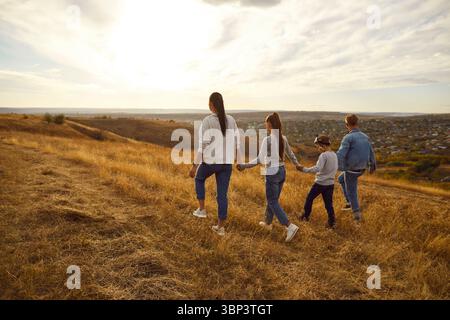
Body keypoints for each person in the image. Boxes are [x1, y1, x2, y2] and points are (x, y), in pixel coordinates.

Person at [237, 113, 300, 242]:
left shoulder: (268, 140)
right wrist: (297, 165)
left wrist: (244, 165)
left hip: (272, 172)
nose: (265, 125)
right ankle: (267, 223)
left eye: (266, 123)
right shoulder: (283, 138)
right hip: (282, 171)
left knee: (272, 201)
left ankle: (289, 226)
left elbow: (259, 159)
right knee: (273, 199)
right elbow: (290, 154)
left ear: (270, 124)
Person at [189, 92, 240, 236]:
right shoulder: (231, 119)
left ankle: (202, 209)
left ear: (211, 104)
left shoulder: (207, 121)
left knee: (199, 178)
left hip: (212, 161)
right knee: (222, 195)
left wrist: (194, 165)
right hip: (227, 163)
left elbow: (203, 145)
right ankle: (220, 227)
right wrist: (236, 158)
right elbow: (236, 141)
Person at [336, 114, 376, 222]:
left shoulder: (348, 137)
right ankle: (349, 202)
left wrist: (335, 166)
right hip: (362, 168)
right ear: (357, 123)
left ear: (346, 125)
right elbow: (371, 151)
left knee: (352, 191)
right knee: (340, 179)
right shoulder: (365, 136)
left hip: (351, 169)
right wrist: (373, 165)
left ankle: (357, 216)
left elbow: (340, 154)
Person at [297, 135, 338, 229]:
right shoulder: (334, 155)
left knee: (309, 199)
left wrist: (304, 169)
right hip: (330, 184)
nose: (318, 148)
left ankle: (305, 216)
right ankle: (332, 222)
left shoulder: (324, 155)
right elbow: (335, 168)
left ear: (322, 145)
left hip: (320, 183)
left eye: (318, 146)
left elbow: (317, 168)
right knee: (329, 204)